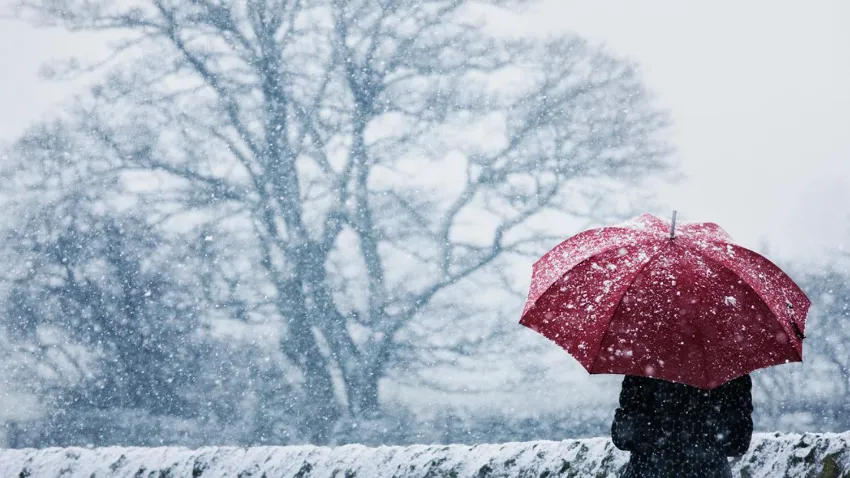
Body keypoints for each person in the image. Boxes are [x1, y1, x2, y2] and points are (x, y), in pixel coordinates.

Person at [611, 374, 753, 478]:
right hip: (709, 472)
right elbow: (738, 443)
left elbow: (622, 438)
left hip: (648, 471)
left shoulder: (644, 365)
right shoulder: (727, 368)